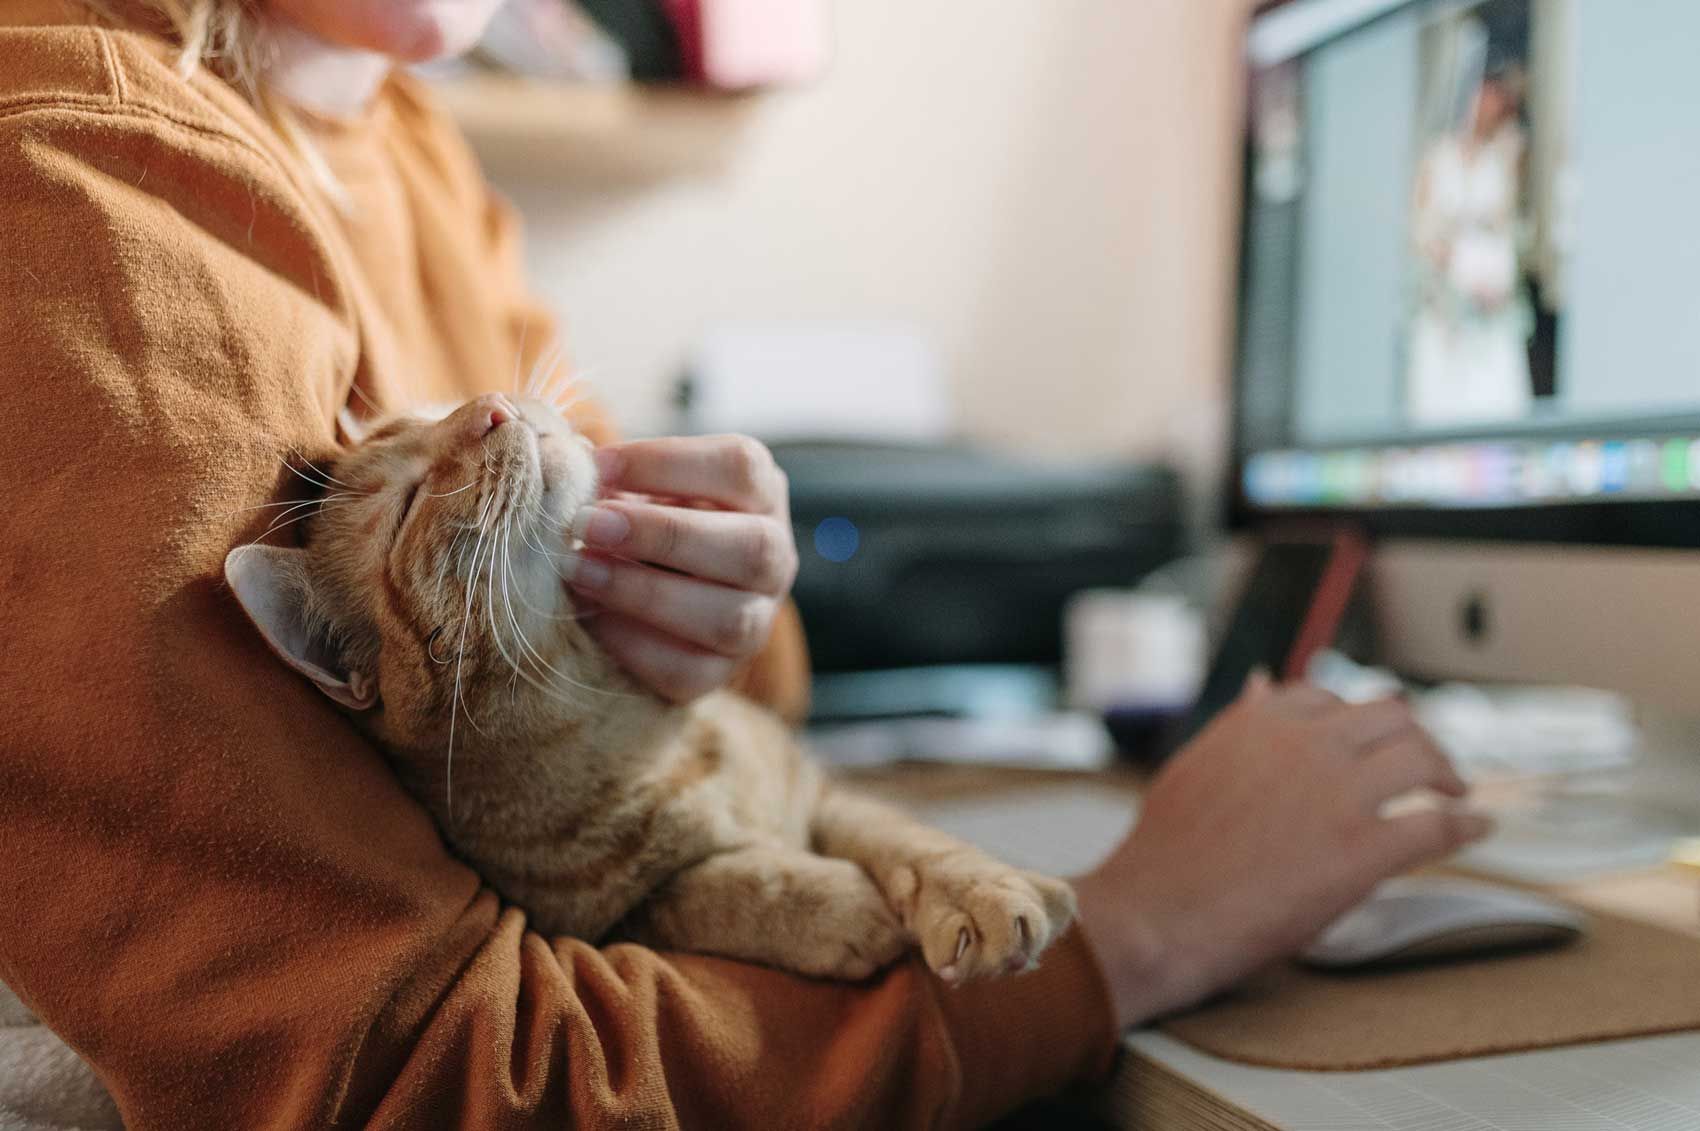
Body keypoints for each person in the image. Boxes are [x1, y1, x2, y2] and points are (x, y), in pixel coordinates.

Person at [0, 2, 1491, 1127]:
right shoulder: (77, 195)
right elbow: (423, 1075)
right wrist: (1144, 925)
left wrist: (705, 611)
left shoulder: (403, 140)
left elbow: (708, 722)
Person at [1408, 60, 1535, 427]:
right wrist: (1457, 267)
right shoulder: (1437, 157)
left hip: (1491, 301)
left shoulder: (1504, 156)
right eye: (1485, 94)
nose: (1490, 105)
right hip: (1446, 304)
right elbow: (1421, 232)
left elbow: (1508, 225)